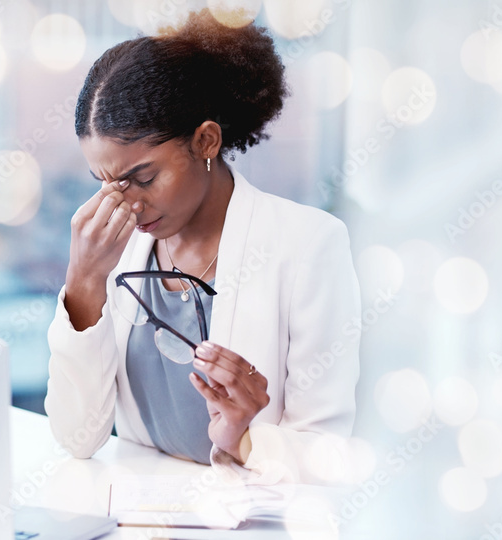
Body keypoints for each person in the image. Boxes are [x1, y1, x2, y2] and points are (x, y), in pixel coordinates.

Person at [44, 9, 361, 485]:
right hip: (139, 518)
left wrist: (243, 438)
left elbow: (327, 455)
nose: (124, 204)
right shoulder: (115, 254)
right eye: (106, 183)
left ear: (206, 140)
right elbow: (78, 437)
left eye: (143, 177)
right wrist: (83, 282)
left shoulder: (308, 246)